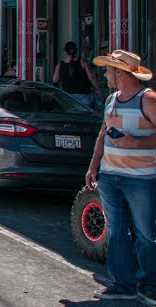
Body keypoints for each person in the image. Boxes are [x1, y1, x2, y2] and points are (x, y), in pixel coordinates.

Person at [86, 50, 156, 303]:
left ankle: (150, 285)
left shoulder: (148, 100)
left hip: (141, 178)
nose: (105, 75)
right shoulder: (111, 100)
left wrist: (136, 143)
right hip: (110, 176)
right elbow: (104, 134)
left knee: (146, 233)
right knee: (116, 232)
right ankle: (122, 284)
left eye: (108, 70)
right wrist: (94, 166)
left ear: (120, 72)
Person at [52, 41, 99, 108]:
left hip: (68, 97)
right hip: (84, 96)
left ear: (65, 51)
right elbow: (91, 77)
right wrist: (98, 88)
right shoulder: (82, 62)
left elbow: (55, 80)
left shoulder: (60, 65)